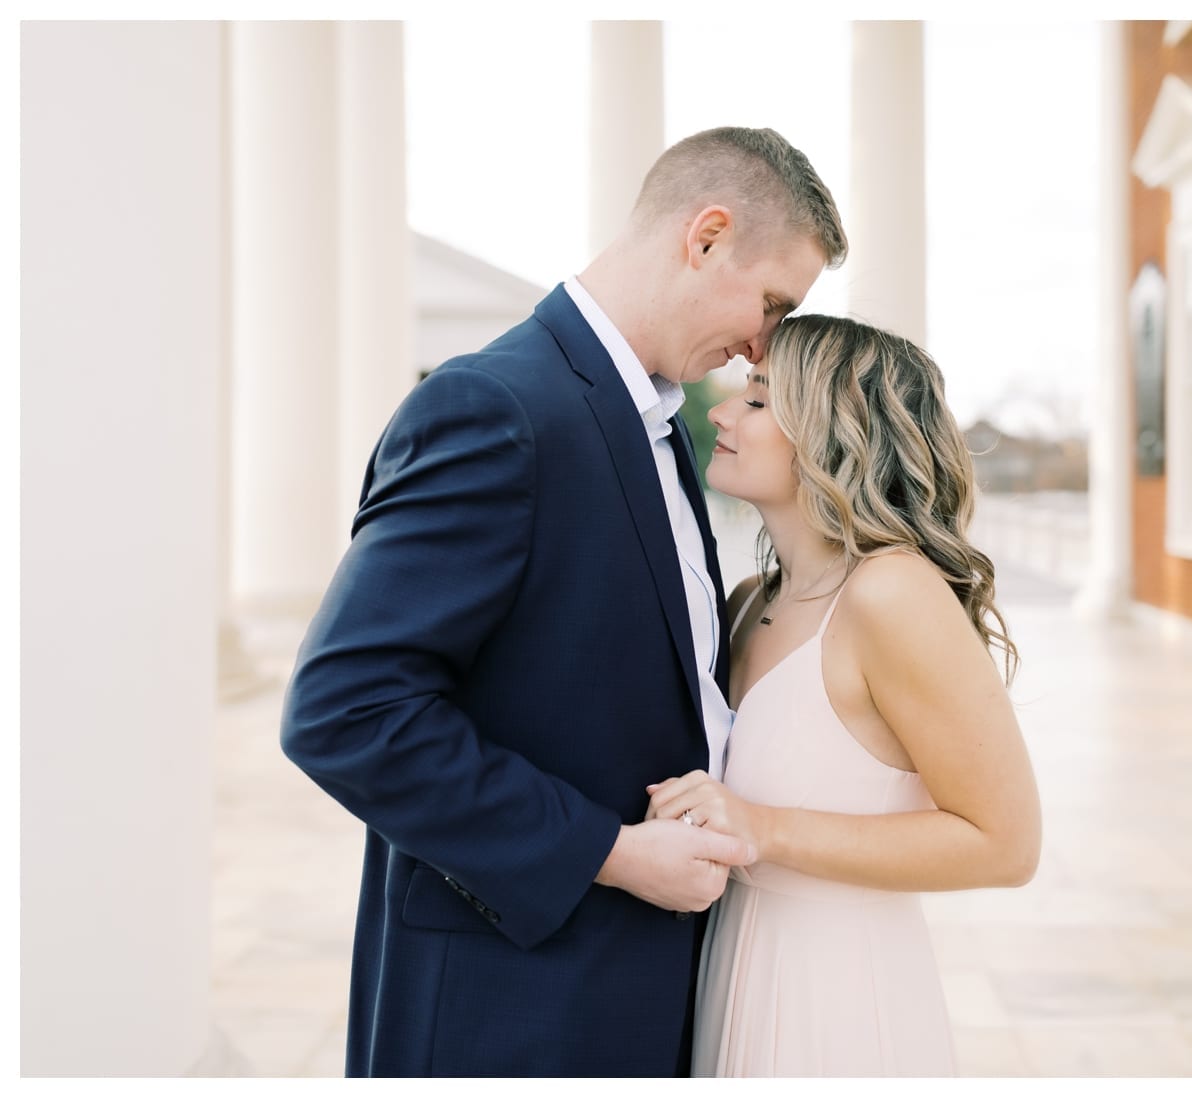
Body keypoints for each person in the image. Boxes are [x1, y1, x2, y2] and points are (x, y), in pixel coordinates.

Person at [279, 127, 847, 1077]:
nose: (765, 345)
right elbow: (347, 714)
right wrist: (612, 853)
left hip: (639, 990)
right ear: (706, 236)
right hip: (509, 1008)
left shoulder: (659, 426)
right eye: (773, 304)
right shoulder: (496, 409)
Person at [643, 314, 1042, 1077]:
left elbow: (1007, 843)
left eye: (758, 399)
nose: (721, 413)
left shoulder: (892, 595)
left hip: (839, 1000)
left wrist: (762, 828)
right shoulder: (751, 599)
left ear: (836, 432)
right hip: (732, 971)